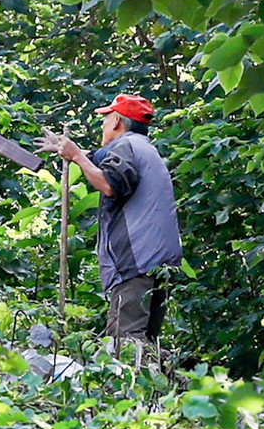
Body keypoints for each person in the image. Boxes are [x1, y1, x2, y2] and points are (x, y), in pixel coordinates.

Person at [36, 94, 182, 343]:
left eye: (105, 119)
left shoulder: (125, 147)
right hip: (160, 262)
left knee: (125, 342)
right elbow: (105, 161)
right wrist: (68, 149)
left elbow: (110, 184)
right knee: (147, 344)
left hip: (137, 261)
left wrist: (77, 157)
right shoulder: (144, 148)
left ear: (116, 121)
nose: (102, 125)